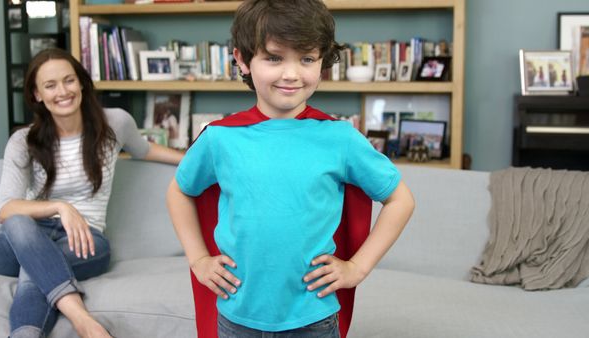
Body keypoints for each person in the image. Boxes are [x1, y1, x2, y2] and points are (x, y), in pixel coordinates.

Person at [166, 1, 415, 337]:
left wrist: (357, 267)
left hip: (314, 318)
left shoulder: (339, 138)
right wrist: (198, 259)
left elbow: (401, 200)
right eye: (274, 57)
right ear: (242, 59)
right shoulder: (220, 138)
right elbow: (179, 191)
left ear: (322, 61)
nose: (292, 73)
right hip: (236, 316)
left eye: (307, 58)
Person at [0, 48, 183, 338]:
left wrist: (199, 157)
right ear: (37, 94)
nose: (62, 91)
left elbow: (146, 150)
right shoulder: (23, 141)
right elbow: (5, 210)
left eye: (69, 80)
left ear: (81, 82)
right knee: (18, 223)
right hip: (18, 244)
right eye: (50, 85)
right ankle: (84, 322)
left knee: (35, 267)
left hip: (85, 240)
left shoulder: (115, 123)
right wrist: (61, 207)